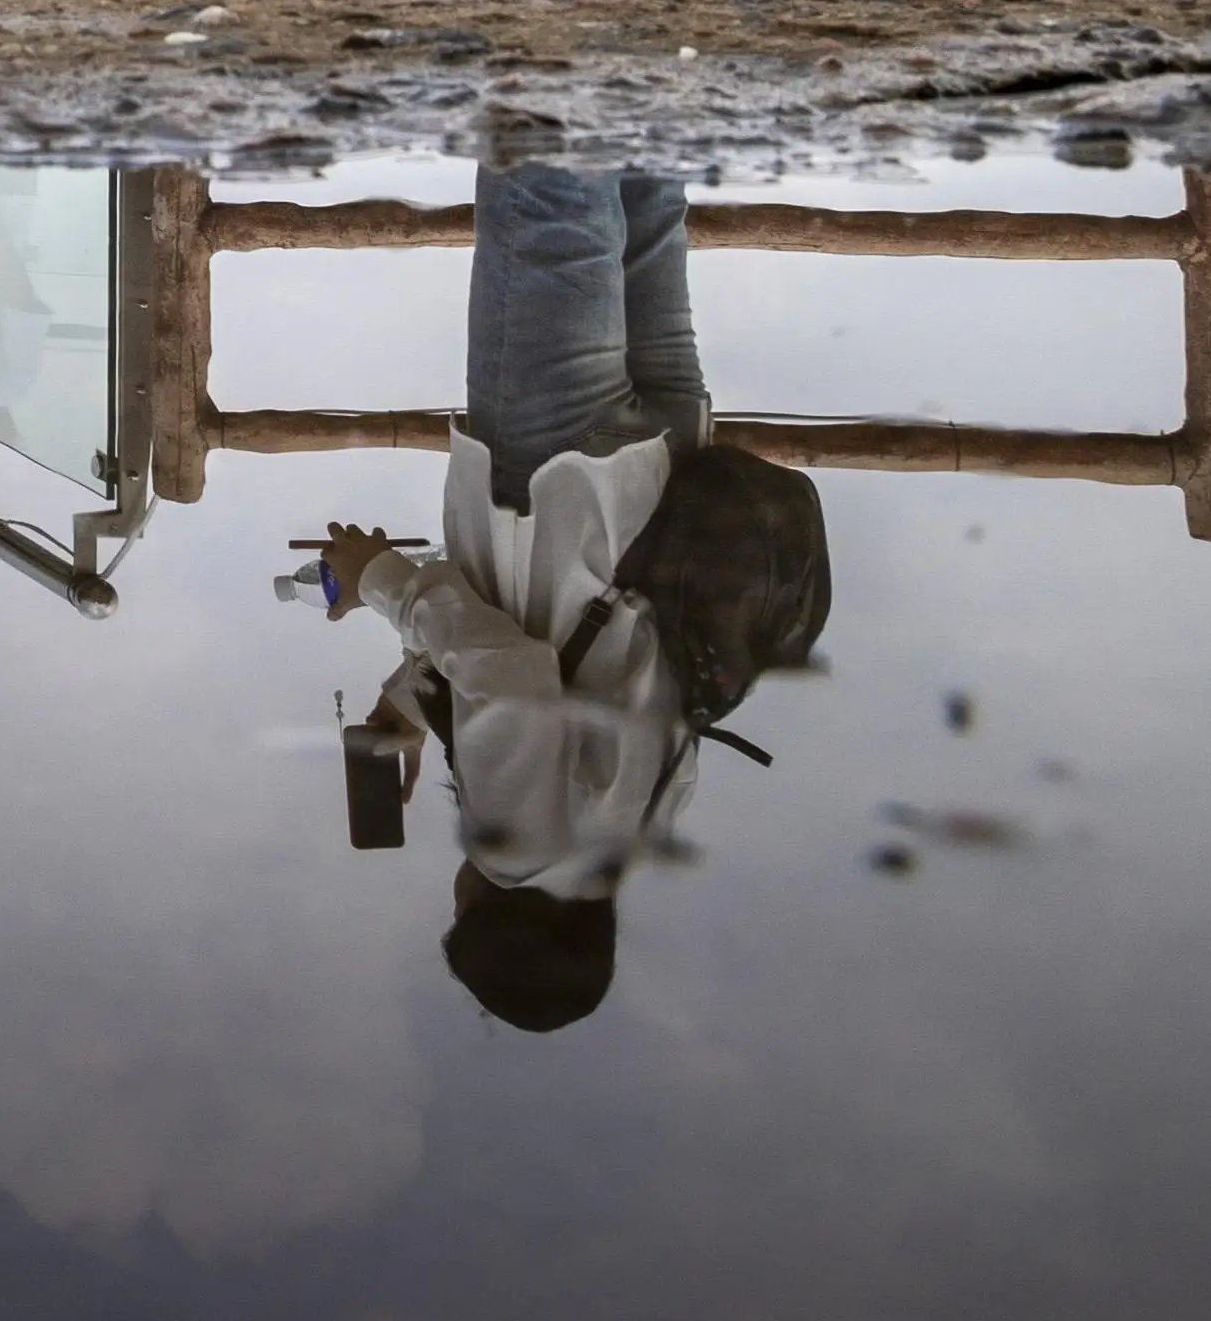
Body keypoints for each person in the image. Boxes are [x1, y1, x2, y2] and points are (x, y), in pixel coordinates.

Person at [300, 165, 834, 1031]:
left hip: (658, 469)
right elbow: (511, 673)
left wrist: (409, 702)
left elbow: (573, 661)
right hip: (556, 469)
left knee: (640, 181)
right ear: (480, 918)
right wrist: (378, 581)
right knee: (549, 173)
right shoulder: (520, 856)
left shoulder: (640, 825)